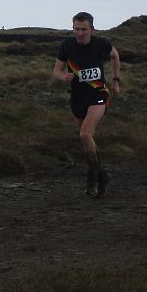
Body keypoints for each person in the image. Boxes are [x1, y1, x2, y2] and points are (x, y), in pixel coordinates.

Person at [53, 12, 121, 198]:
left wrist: (115, 81)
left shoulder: (102, 44)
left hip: (99, 94)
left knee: (85, 133)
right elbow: (56, 70)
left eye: (84, 29)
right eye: (76, 29)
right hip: (77, 97)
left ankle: (96, 178)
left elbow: (116, 56)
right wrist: (63, 76)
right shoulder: (66, 46)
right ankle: (98, 174)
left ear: (92, 29)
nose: (80, 33)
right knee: (86, 140)